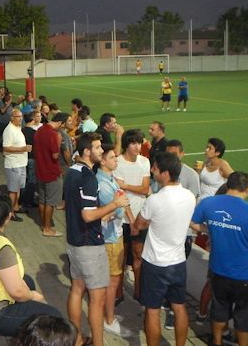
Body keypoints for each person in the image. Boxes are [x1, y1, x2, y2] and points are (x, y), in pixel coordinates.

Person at [0, 194, 61, 337]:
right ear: (8, 216)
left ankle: (23, 333)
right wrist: (33, 296)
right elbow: (17, 293)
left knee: (28, 281)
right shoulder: (2, 247)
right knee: (53, 318)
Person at [64, 133, 129, 346]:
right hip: (89, 244)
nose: (101, 151)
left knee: (76, 289)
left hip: (74, 241)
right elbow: (88, 215)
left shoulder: (72, 171)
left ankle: (78, 339)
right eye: (98, 147)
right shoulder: (88, 177)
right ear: (86, 152)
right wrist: (115, 205)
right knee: (97, 297)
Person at [190, 172, 248, 346]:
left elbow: (193, 223)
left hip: (218, 270)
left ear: (228, 184)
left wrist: (211, 229)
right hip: (245, 275)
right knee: (244, 318)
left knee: (219, 311)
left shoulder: (209, 203)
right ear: (247, 190)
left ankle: (217, 342)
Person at [134, 152, 196, 346]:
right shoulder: (188, 196)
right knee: (179, 307)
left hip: (155, 263)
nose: (152, 170)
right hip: (178, 262)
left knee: (152, 310)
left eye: (155, 168)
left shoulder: (155, 199)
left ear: (166, 173)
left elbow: (139, 224)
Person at [96, 144, 132, 338]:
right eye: (112, 157)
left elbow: (121, 203)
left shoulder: (109, 179)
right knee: (112, 280)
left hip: (113, 233)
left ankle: (109, 314)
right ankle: (108, 319)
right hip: (110, 237)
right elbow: (118, 208)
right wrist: (121, 202)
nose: (116, 160)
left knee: (112, 279)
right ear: (103, 161)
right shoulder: (102, 183)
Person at [113, 129, 151, 301]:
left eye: (140, 142)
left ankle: (138, 291)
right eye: (134, 143)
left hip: (140, 218)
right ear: (127, 144)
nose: (138, 147)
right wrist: (131, 219)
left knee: (138, 255)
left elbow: (145, 188)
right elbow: (119, 194)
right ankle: (118, 292)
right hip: (123, 219)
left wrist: (126, 185)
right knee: (121, 257)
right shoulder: (118, 163)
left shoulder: (145, 162)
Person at [34, 112, 69, 237]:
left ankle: (44, 224)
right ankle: (47, 228)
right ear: (60, 123)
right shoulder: (53, 134)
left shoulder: (39, 130)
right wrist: (59, 143)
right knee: (50, 201)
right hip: (51, 172)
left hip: (40, 170)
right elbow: (55, 155)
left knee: (43, 199)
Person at [2, 109, 31, 220]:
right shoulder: (9, 130)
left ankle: (15, 207)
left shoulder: (17, 128)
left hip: (21, 163)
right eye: (18, 117)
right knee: (13, 190)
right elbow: (6, 147)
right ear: (12, 117)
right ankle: (10, 213)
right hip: (14, 164)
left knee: (18, 188)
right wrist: (23, 148)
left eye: (21, 116)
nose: (21, 119)